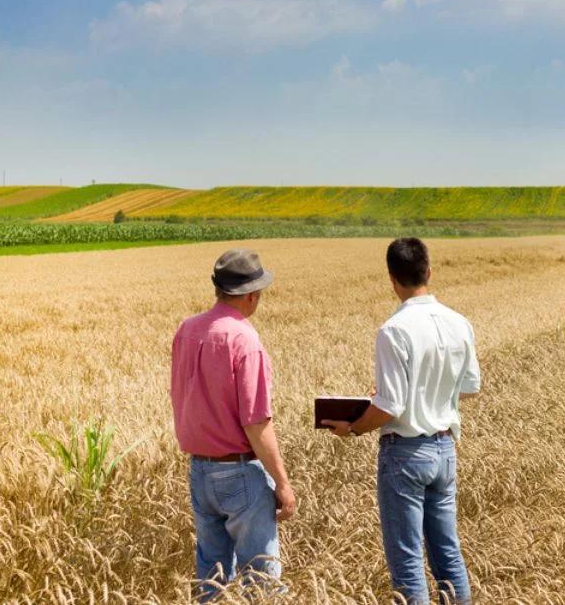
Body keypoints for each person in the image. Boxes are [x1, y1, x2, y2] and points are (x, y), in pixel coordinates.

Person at [322, 238, 480, 605]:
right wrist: (431, 391)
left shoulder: (394, 330)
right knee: (447, 553)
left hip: (406, 453)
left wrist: (355, 426)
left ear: (392, 278)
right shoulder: (459, 322)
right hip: (444, 449)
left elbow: (390, 406)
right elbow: (471, 386)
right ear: (429, 271)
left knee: (407, 560)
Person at [170, 248, 297, 601]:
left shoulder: (187, 330)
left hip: (199, 471)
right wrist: (283, 484)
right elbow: (257, 422)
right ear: (252, 295)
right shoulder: (243, 339)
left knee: (210, 576)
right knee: (261, 579)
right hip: (239, 473)